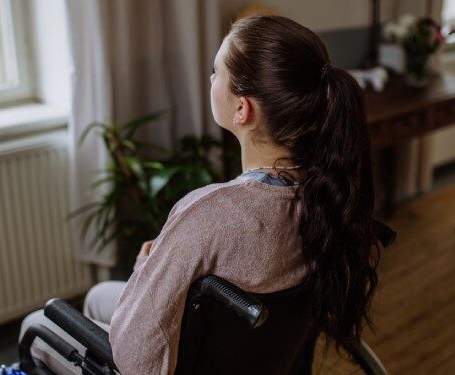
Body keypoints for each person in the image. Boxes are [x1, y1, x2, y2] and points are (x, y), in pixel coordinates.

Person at [19, 15, 381, 374]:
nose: (210, 79)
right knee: (98, 297)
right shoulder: (326, 197)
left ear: (243, 109)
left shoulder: (211, 213)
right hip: (249, 360)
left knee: (37, 324)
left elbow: (136, 362)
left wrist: (150, 265)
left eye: (216, 70)